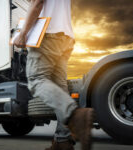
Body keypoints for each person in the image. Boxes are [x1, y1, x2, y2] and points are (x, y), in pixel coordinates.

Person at [13, 0, 94, 150]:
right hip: (66, 37)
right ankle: (63, 140)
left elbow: (37, 3)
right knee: (60, 88)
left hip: (47, 33)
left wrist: (23, 33)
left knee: (36, 79)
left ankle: (74, 115)